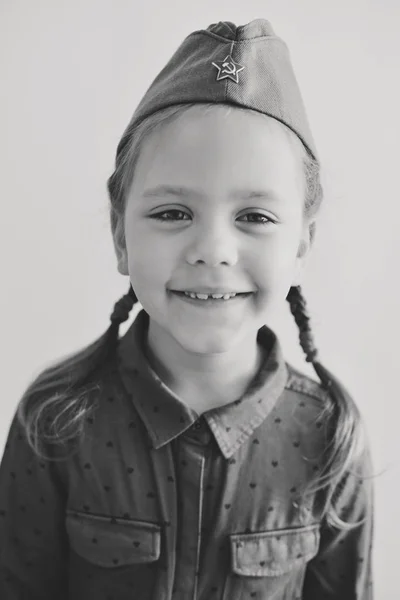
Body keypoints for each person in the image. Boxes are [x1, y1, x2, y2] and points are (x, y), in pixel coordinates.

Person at [0, 18, 373, 600]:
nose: (212, 251)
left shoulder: (328, 436)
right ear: (121, 236)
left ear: (302, 245)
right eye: (173, 213)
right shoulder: (54, 420)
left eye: (255, 217)